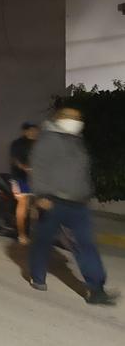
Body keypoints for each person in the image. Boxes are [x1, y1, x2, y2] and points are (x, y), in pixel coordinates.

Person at [29, 107, 118, 305]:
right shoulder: (47, 140)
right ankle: (38, 276)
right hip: (52, 201)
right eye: (71, 118)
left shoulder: (77, 142)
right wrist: (42, 195)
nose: (76, 121)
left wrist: (86, 192)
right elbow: (39, 167)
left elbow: (82, 172)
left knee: (86, 244)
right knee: (43, 240)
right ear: (59, 120)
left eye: (78, 118)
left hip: (78, 203)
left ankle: (96, 289)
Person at [9, 122, 39, 245]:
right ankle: (21, 235)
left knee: (35, 207)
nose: (34, 133)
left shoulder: (38, 145)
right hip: (19, 177)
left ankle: (29, 233)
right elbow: (14, 160)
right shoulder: (17, 144)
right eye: (32, 130)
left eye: (36, 131)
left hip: (34, 179)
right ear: (25, 131)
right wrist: (24, 167)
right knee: (23, 203)